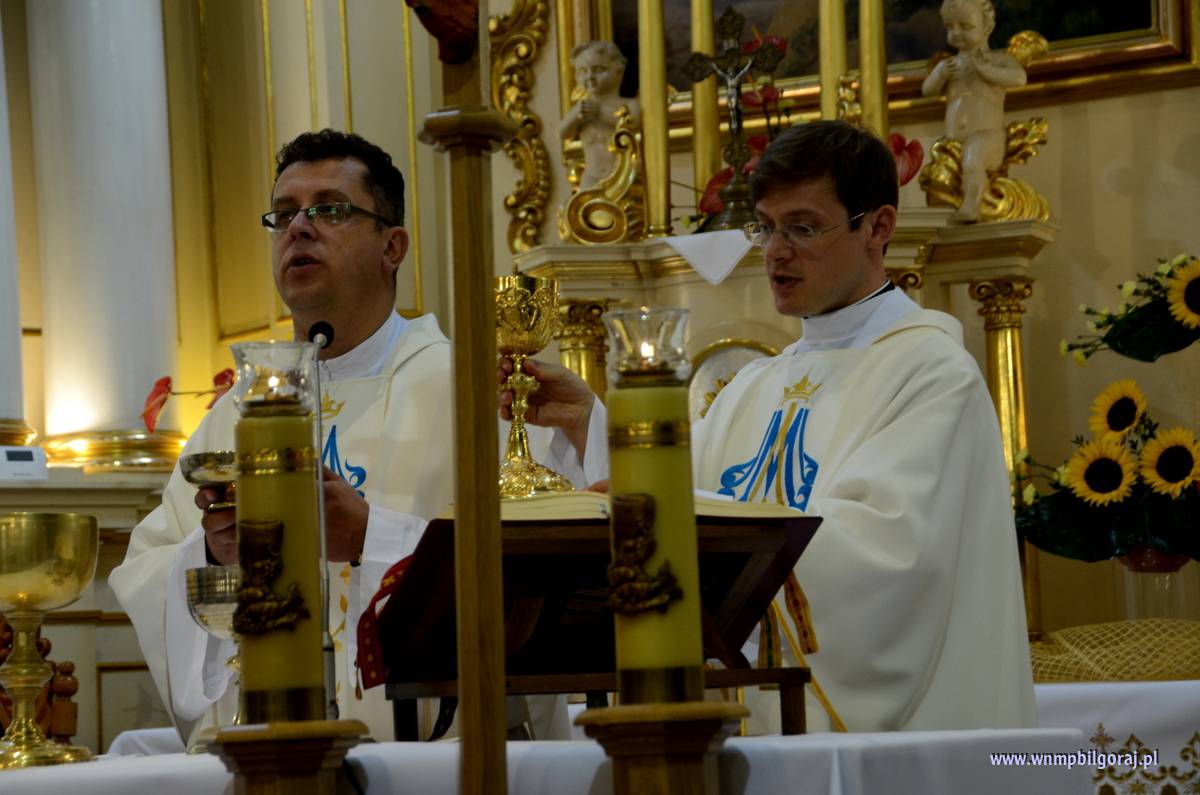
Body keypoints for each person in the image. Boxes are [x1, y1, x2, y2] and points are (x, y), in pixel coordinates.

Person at [511, 120, 1037, 732]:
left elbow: (889, 556)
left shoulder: (931, 372)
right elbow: (678, 492)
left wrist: (686, 520)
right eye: (765, 226)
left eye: (803, 228)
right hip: (741, 724)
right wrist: (584, 422)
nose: (774, 251)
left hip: (890, 744)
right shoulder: (758, 385)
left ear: (878, 228)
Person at [110, 129, 606, 745]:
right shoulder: (236, 413)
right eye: (285, 213)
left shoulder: (477, 390)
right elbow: (149, 567)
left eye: (330, 210)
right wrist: (214, 556)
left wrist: (369, 537)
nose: (299, 227)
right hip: (271, 744)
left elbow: (551, 564)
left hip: (442, 753)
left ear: (392, 246)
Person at [921, 0, 1026, 222]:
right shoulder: (949, 66)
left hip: (989, 137)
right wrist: (939, 74)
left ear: (987, 26)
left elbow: (1019, 78)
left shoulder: (997, 60)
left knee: (974, 156)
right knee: (945, 169)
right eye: (950, 27)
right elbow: (927, 90)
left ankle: (972, 205)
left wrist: (988, 71)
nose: (956, 33)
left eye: (965, 26)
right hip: (953, 143)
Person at [558, 41, 641, 189]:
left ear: (618, 71)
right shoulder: (581, 108)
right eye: (583, 71)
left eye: (598, 70)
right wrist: (575, 116)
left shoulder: (629, 104)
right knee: (585, 203)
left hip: (625, 175)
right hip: (591, 176)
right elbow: (563, 133)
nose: (590, 76)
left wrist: (600, 112)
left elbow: (632, 124)